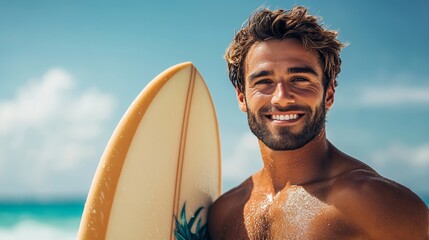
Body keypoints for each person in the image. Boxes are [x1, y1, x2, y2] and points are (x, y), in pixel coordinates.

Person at [208, 6, 428, 240]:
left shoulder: (374, 203)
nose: (281, 97)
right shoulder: (224, 213)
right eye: (264, 81)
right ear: (242, 97)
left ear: (328, 94)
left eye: (300, 79)